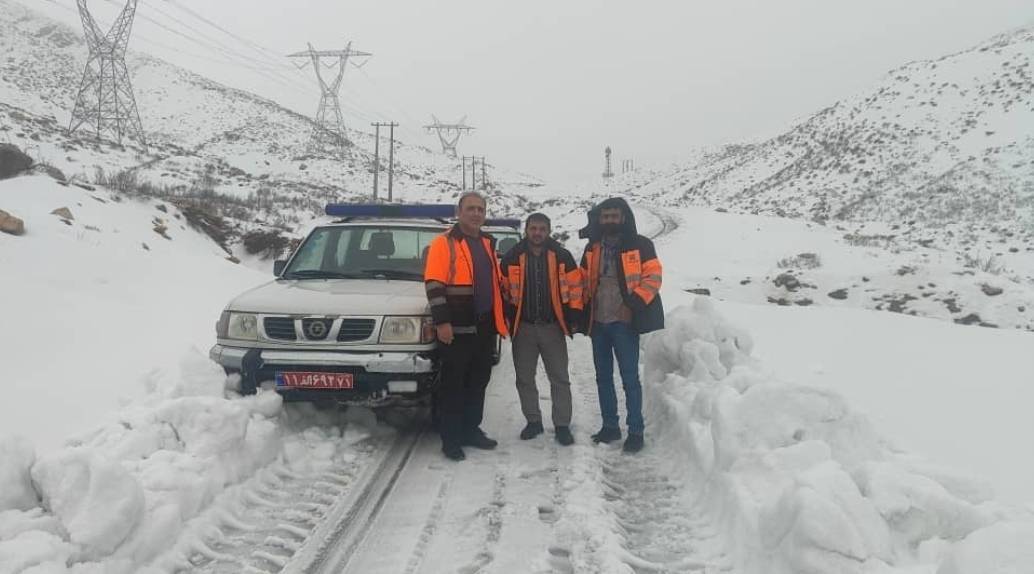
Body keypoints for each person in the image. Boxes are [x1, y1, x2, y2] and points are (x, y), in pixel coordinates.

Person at [424, 191, 510, 461]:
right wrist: (443, 322)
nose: (476, 213)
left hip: (484, 327)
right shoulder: (444, 243)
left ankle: (471, 430)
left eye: (480, 209)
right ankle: (451, 439)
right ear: (459, 212)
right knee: (454, 385)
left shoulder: (487, 243)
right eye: (470, 208)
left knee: (478, 382)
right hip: (456, 329)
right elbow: (434, 285)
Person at [578, 197, 663, 453]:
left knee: (629, 379)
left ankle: (636, 431)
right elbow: (582, 280)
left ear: (623, 218)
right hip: (598, 322)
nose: (610, 220)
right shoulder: (592, 248)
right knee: (603, 378)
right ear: (600, 219)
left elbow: (653, 277)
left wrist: (632, 305)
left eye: (614, 216)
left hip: (624, 323)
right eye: (606, 216)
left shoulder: (641, 245)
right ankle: (610, 426)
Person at [500, 213, 583, 446]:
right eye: (533, 228)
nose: (537, 233)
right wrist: (506, 319)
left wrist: (574, 316)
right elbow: (502, 290)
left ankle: (562, 425)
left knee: (560, 378)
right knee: (525, 378)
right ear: (526, 230)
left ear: (549, 231)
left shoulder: (562, 256)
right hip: (523, 328)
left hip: (552, 327)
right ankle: (533, 421)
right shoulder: (511, 257)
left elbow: (576, 288)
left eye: (542, 229)